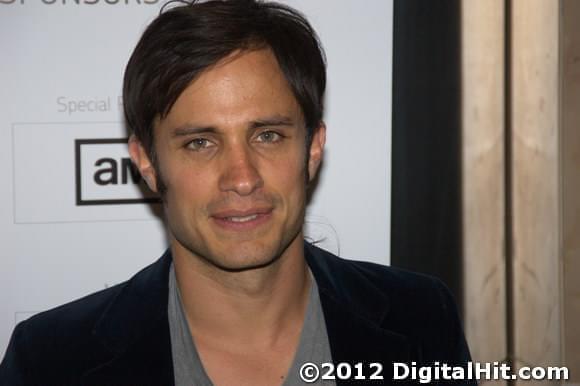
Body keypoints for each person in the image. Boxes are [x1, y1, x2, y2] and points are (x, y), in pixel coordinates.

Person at [0, 1, 474, 385]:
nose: (242, 177)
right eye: (200, 143)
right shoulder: (50, 361)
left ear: (312, 149)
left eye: (267, 135)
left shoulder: (421, 320)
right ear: (147, 162)